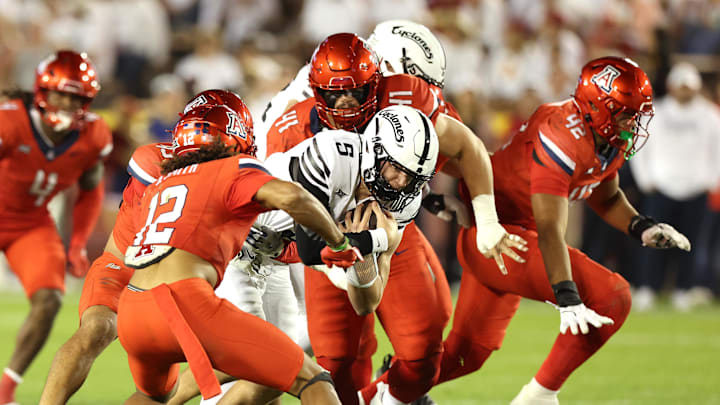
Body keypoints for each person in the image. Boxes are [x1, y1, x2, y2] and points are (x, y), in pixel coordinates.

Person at [265, 33, 527, 405]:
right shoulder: (289, 130)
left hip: (385, 227)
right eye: (334, 94)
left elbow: (466, 146)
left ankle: (385, 398)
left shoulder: (405, 108)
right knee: (335, 362)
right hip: (317, 236)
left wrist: (485, 218)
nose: (345, 103)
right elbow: (295, 235)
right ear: (315, 92)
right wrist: (342, 260)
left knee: (423, 349)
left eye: (356, 92)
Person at [432, 56, 691, 404]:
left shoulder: (601, 136)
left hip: (507, 240)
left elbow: (607, 196)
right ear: (600, 108)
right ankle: (538, 396)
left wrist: (641, 227)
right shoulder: (561, 134)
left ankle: (382, 391)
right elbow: (550, 228)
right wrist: (567, 297)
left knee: (464, 355)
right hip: (499, 238)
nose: (634, 123)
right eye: (627, 113)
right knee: (612, 296)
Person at [117, 103, 359, 404]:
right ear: (234, 141)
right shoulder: (232, 168)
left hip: (132, 309)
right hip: (183, 301)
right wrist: (338, 243)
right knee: (313, 379)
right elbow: (293, 196)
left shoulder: (161, 184)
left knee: (153, 397)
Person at [38, 89, 253, 405]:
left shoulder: (239, 176)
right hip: (124, 266)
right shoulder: (155, 160)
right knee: (97, 328)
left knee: (173, 386)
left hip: (171, 284)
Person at [0, 50, 112, 405]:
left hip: (30, 223)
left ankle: (5, 391)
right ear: (43, 92)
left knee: (49, 299)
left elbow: (91, 189)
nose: (66, 102)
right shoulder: (10, 121)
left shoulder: (93, 134)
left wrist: (78, 242)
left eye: (75, 96)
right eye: (61, 94)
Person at [629, 61, 720, 311]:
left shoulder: (709, 115)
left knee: (690, 244)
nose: (684, 91)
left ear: (696, 88)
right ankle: (647, 287)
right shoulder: (654, 113)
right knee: (652, 240)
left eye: (688, 87)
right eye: (680, 86)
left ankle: (683, 290)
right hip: (661, 187)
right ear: (671, 86)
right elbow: (638, 148)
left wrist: (711, 180)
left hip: (696, 188)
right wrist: (646, 180)